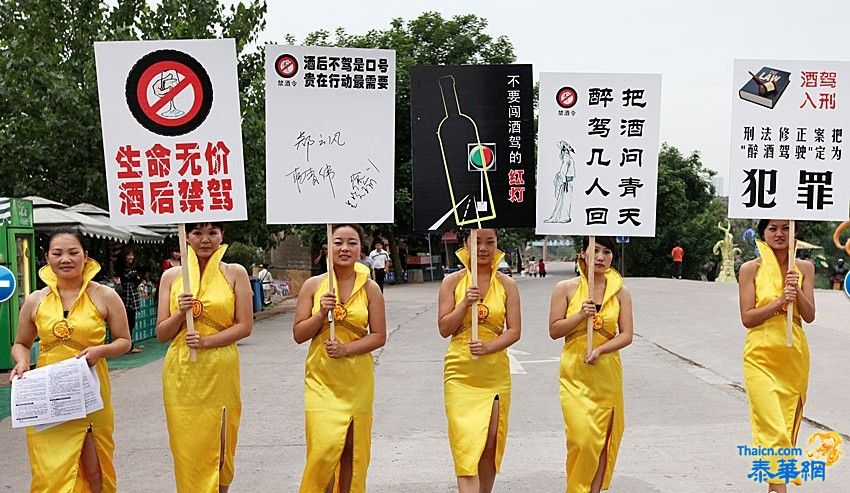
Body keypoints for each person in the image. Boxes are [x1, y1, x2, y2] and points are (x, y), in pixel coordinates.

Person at [10, 229, 132, 492]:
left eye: (73, 252)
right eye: (58, 253)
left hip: (90, 393)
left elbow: (124, 341)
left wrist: (99, 351)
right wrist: (21, 363)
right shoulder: (35, 300)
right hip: (47, 396)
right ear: (47, 258)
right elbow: (21, 343)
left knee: (95, 467)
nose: (65, 259)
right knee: (50, 471)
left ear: (86, 257)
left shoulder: (105, 295)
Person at [156, 222, 253, 493]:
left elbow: (244, 325)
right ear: (186, 236)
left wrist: (207, 341)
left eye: (212, 232)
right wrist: (180, 312)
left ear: (222, 235)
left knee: (222, 447)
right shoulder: (172, 277)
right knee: (188, 447)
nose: (205, 240)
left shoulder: (234, 273)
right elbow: (162, 334)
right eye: (197, 233)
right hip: (182, 370)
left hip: (221, 367)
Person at [293, 224, 387, 492]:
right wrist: (321, 313)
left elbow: (379, 335)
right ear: (327, 247)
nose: (345, 248)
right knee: (323, 451)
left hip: (356, 379)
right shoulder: (313, 286)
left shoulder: (371, 289)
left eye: (352, 242)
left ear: (361, 248)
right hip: (321, 380)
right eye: (338, 242)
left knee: (351, 452)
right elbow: (299, 334)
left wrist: (347, 349)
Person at [437, 228, 521, 493]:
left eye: (490, 242)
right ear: (465, 244)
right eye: (477, 242)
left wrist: (489, 347)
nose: (483, 248)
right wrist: (464, 303)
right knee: (465, 443)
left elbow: (514, 330)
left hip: (494, 371)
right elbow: (444, 328)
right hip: (460, 371)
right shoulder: (452, 282)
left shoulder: (507, 285)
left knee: (489, 441)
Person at [548, 236, 634, 493]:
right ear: (582, 254)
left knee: (602, 442)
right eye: (594, 250)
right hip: (575, 373)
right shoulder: (565, 288)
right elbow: (554, 330)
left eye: (607, 252)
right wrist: (579, 316)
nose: (600, 257)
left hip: (606, 374)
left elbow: (626, 334)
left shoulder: (621, 292)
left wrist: (600, 349)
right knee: (582, 440)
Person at [738, 219, 815, 493]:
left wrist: (796, 292)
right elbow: (747, 317)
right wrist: (780, 301)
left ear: (795, 232)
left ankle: (774, 488)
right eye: (773, 228)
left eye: (786, 228)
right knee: (772, 425)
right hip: (760, 354)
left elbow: (809, 315)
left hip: (793, 355)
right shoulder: (750, 269)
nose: (780, 234)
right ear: (763, 234)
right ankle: (779, 489)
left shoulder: (804, 267)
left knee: (785, 423)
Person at [118, 247, 143, 353]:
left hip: (131, 297)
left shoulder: (131, 268)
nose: (131, 257)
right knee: (128, 322)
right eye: (128, 255)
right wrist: (136, 277)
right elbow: (135, 279)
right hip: (127, 297)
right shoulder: (122, 268)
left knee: (131, 322)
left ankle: (129, 345)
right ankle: (128, 347)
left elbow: (137, 279)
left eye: (132, 255)